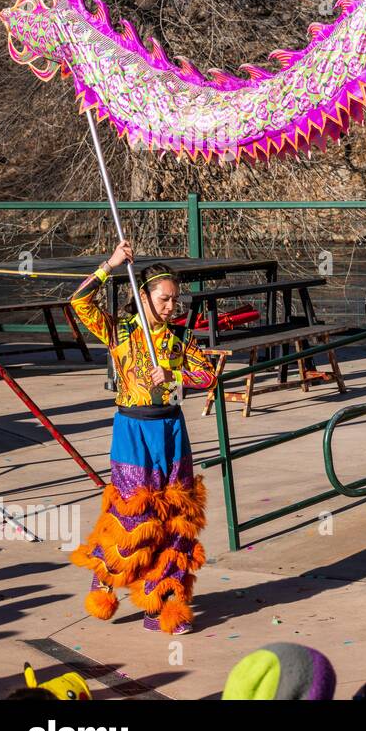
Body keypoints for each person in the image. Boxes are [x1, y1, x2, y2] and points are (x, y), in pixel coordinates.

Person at [70, 243, 216, 635]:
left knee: (176, 517)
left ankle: (162, 600)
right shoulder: (119, 330)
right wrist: (110, 266)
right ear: (143, 296)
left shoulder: (178, 340)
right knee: (136, 515)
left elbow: (208, 376)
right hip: (132, 430)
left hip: (170, 430)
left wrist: (175, 376)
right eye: (164, 299)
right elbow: (79, 302)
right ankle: (106, 574)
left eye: (174, 300)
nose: (171, 306)